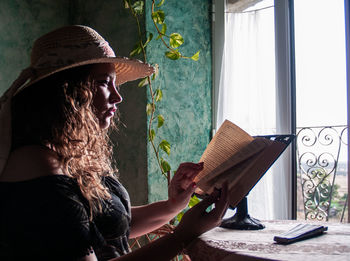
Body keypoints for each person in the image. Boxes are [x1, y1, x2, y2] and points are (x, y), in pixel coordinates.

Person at [0, 25, 229, 261]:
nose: (117, 96)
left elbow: (108, 227)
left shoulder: (64, 151)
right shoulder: (38, 168)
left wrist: (173, 206)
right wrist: (184, 235)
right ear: (66, 91)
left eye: (114, 83)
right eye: (103, 82)